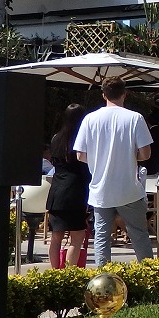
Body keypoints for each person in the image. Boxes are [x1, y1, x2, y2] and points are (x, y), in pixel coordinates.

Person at [74, 77, 154, 266]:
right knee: (139, 235)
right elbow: (146, 154)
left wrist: (99, 159)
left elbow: (80, 155)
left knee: (102, 237)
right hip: (129, 189)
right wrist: (129, 157)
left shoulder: (90, 119)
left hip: (101, 188)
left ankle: (103, 277)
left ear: (104, 95)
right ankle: (148, 273)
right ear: (124, 94)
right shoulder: (135, 118)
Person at [46, 105, 91, 269]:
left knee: (56, 237)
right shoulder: (82, 139)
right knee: (77, 237)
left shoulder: (56, 138)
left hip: (57, 190)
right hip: (75, 191)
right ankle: (69, 273)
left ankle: (54, 271)